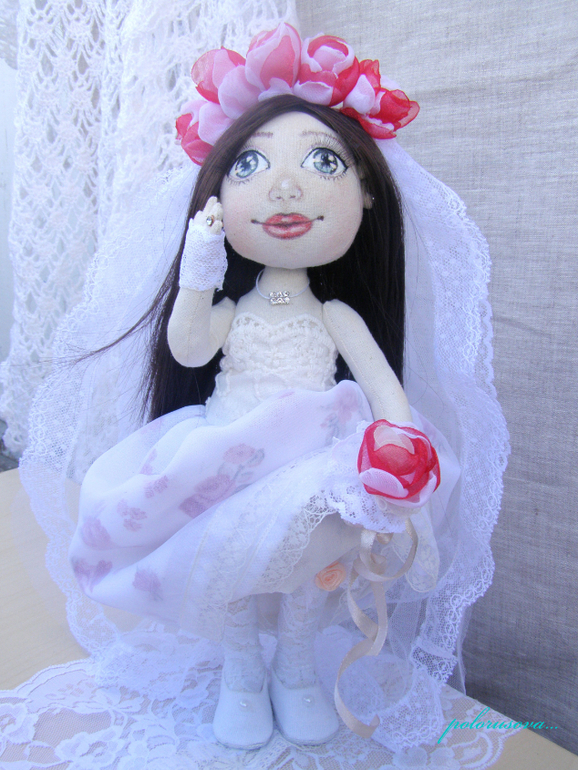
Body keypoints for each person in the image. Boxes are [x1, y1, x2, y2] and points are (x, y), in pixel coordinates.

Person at [27, 24, 506, 756]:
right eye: (250, 163)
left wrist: (398, 445)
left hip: (316, 463)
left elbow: (383, 388)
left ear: (367, 193)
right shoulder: (234, 308)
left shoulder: (337, 315)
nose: (284, 188)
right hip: (230, 455)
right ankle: (243, 672)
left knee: (310, 571)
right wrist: (199, 269)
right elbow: (189, 347)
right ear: (218, 189)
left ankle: (296, 670)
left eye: (323, 162)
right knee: (234, 567)